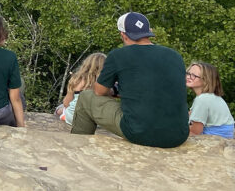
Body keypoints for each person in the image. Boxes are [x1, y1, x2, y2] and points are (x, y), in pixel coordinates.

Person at [70, 12, 188, 148]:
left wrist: (114, 89)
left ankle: (77, 148)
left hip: (139, 132)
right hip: (178, 135)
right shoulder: (174, 56)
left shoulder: (118, 55)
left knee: (86, 97)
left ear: (123, 35)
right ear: (149, 32)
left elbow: (99, 91)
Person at [185, 61, 234, 139]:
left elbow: (195, 132)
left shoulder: (202, 100)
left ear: (205, 80)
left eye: (193, 75)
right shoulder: (210, 96)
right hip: (227, 133)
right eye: (188, 73)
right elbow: (191, 114)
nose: (188, 77)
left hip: (217, 137)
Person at [56, 53, 106, 126]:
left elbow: (66, 103)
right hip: (95, 121)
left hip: (73, 118)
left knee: (60, 108)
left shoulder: (76, 80)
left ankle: (63, 116)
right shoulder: (104, 83)